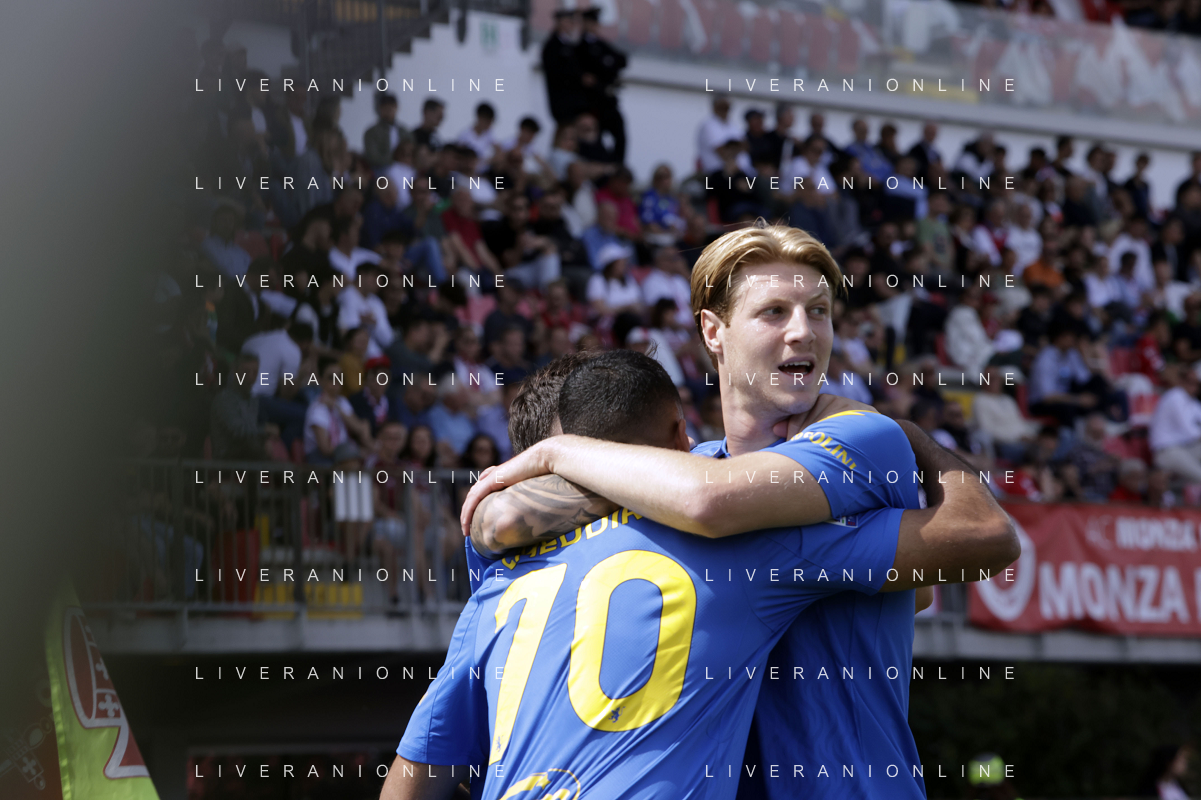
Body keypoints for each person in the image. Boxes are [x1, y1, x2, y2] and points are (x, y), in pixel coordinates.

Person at [460, 224, 1019, 800]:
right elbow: (498, 521)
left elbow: (979, 540)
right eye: (774, 312)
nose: (803, 331)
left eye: (819, 311)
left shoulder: (863, 438)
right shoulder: (686, 472)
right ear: (713, 330)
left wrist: (556, 452)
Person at [576, 5, 627, 164]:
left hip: (608, 100)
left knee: (619, 134)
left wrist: (605, 67)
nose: (594, 26)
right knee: (594, 138)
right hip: (592, 103)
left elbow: (621, 59)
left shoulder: (600, 43)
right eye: (591, 22)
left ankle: (616, 166)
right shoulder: (579, 45)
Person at [1150, 364, 1201, 483]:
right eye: (1189, 381)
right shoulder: (1175, 396)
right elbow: (1190, 431)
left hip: (1184, 449)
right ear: (1181, 380)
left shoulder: (1191, 401)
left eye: (1196, 383)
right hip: (1167, 451)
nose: (1193, 386)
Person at [541, 9, 585, 126]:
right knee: (566, 128)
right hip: (562, 101)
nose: (572, 25)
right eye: (569, 21)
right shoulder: (553, 46)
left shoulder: (570, 44)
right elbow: (555, 71)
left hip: (574, 101)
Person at [362, 92, 409, 171]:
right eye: (386, 108)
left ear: (396, 108)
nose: (389, 112)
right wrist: (394, 161)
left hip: (404, 168)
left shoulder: (404, 132)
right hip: (381, 169)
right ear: (380, 109)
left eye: (391, 108)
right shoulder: (372, 132)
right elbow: (373, 157)